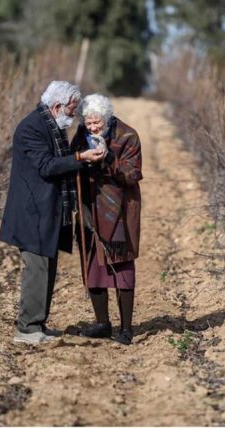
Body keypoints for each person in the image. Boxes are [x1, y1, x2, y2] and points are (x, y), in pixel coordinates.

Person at [0, 81, 105, 345]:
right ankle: (27, 329)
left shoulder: (51, 125)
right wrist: (80, 158)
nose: (73, 115)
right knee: (36, 271)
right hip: (32, 213)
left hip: (48, 212)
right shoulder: (31, 128)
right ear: (57, 106)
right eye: (71, 109)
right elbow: (46, 166)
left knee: (47, 269)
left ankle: (38, 325)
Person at [72, 94, 142, 345]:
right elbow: (74, 163)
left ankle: (126, 328)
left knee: (121, 265)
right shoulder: (81, 135)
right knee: (91, 264)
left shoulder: (128, 135)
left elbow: (133, 174)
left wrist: (110, 159)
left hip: (119, 209)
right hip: (89, 207)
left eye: (96, 123)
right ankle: (102, 323)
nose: (91, 128)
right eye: (88, 123)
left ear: (107, 118)